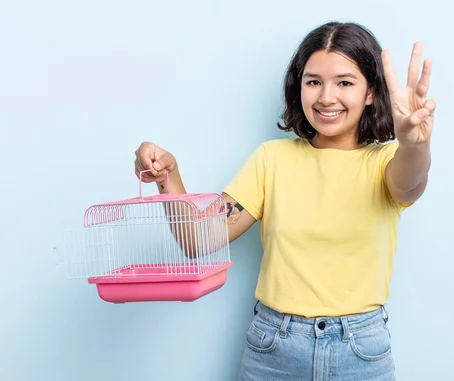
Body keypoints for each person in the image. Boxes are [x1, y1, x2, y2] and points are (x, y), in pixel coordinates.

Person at [134, 21, 435, 381]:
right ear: (299, 86)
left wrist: (415, 144)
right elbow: (198, 239)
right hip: (274, 348)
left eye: (345, 82)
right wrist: (170, 177)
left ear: (371, 92)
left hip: (360, 349)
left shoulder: (385, 162)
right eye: (313, 81)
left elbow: (409, 182)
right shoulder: (271, 160)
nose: (326, 97)